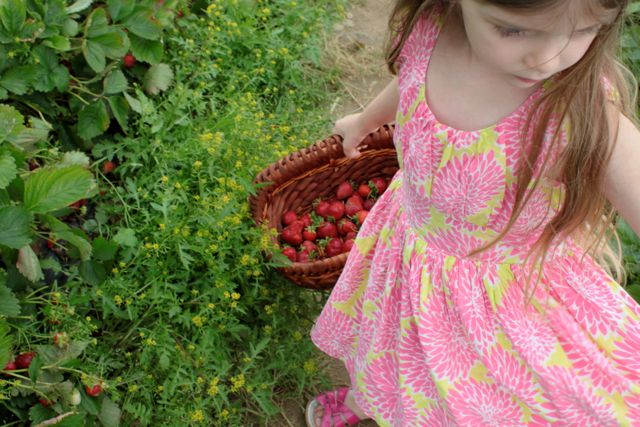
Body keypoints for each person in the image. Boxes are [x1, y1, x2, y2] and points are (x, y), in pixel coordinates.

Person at [306, 0, 640, 425]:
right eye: (513, 30)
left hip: (500, 303)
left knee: (470, 396)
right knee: (388, 345)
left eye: (581, 32)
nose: (548, 58)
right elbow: (412, 83)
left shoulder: (580, 108)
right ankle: (369, 401)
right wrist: (365, 120)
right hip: (408, 252)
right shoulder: (430, 32)